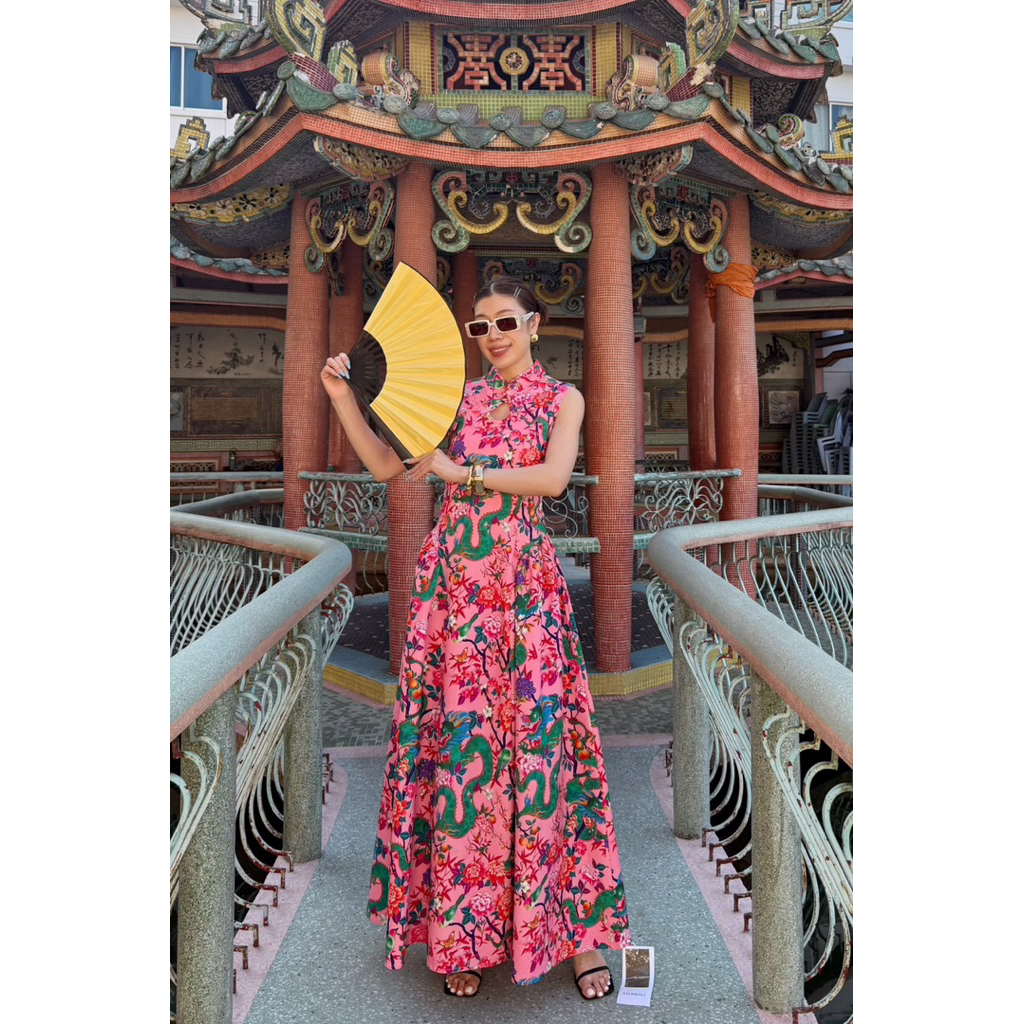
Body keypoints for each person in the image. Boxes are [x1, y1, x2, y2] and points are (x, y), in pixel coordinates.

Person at [319, 277, 631, 1000]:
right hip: (454, 591)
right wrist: (341, 399)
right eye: (479, 327)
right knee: (462, 755)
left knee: (545, 749)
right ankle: (462, 935)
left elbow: (554, 480)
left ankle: (577, 938)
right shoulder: (457, 399)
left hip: (524, 589)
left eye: (505, 323)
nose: (492, 337)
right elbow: (388, 467)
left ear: (534, 324)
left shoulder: (563, 399)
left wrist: (465, 471)